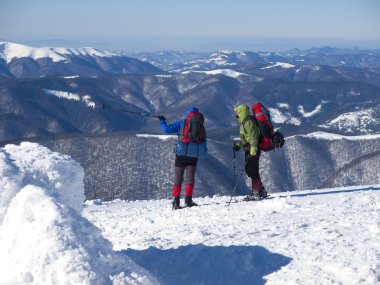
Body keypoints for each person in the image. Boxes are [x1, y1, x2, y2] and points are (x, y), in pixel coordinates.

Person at [158, 107, 207, 209]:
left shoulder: (182, 123)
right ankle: (188, 201)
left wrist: (162, 120)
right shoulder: (201, 126)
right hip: (194, 156)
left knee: (178, 178)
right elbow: (203, 141)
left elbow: (166, 130)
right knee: (190, 178)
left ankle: (176, 202)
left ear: (187, 115)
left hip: (181, 155)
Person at [233, 104, 268, 200]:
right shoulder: (244, 122)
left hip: (253, 150)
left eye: (237, 113)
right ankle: (261, 191)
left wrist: (253, 153)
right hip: (249, 150)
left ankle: (255, 193)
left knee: (253, 170)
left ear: (241, 112)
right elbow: (246, 139)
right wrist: (239, 145)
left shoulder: (248, 122)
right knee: (249, 170)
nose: (236, 115)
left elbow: (253, 138)